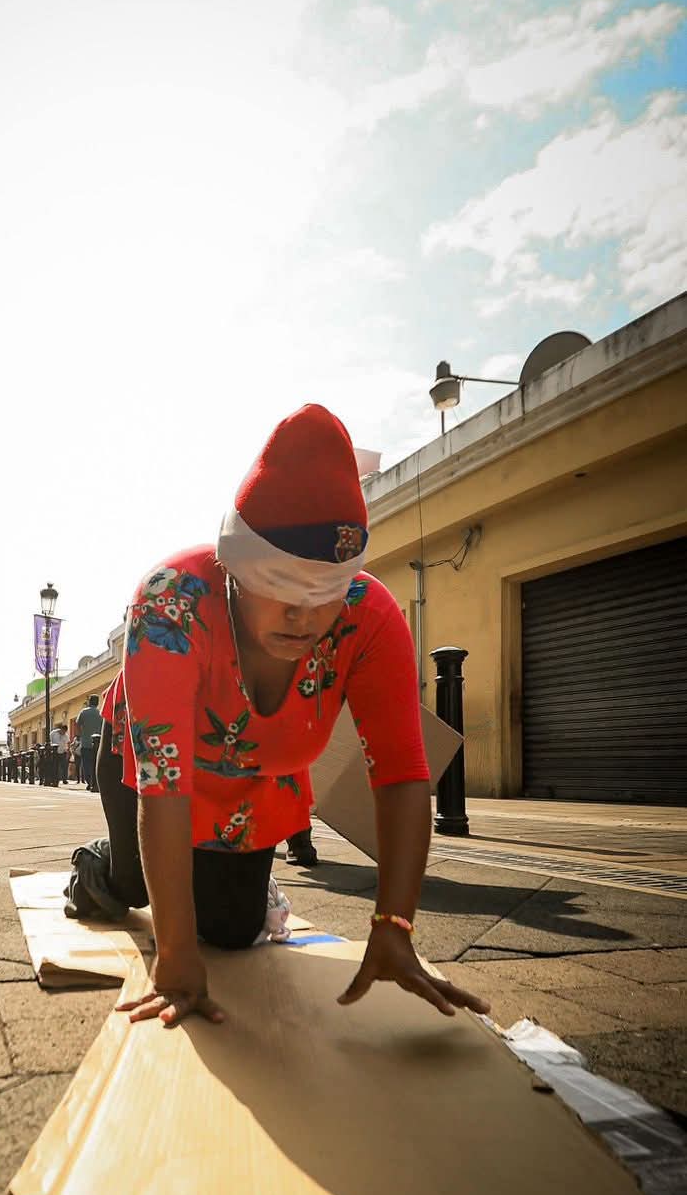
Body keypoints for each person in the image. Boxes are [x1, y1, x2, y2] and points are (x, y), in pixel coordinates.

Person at [80, 405, 490, 1031]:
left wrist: (394, 927)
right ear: (236, 568)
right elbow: (164, 788)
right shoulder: (170, 602)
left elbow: (403, 773)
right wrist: (175, 956)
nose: (304, 616)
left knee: (232, 931)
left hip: (255, 777)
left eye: (324, 592)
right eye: (281, 585)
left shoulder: (369, 616)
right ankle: (104, 862)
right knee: (137, 890)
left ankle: (204, 881)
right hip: (149, 768)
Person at [75, 694, 102, 792]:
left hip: (86, 742)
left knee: (86, 763)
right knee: (96, 763)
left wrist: (80, 735)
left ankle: (89, 781)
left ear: (89, 702)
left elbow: (77, 725)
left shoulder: (83, 712)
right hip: (99, 743)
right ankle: (95, 782)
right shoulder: (101, 712)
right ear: (97, 702)